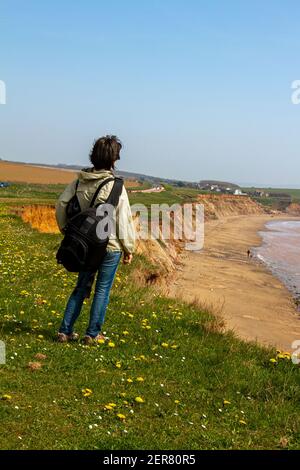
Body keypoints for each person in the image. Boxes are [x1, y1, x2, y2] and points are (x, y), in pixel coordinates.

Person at [55, 135, 135, 344]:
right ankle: (92, 334)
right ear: (114, 160)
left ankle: (65, 331)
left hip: (85, 245)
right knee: (102, 290)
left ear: (93, 156)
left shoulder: (79, 180)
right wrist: (129, 248)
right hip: (109, 245)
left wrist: (66, 229)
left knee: (81, 287)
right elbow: (123, 220)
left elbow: (62, 204)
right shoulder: (116, 185)